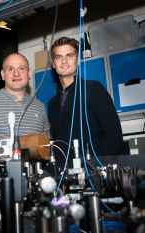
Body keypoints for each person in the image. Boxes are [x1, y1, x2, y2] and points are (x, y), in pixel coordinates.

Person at [48, 37, 124, 166]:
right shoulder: (52, 104)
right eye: (58, 57)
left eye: (69, 56)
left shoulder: (93, 90)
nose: (64, 61)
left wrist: (90, 166)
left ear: (77, 60)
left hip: (93, 173)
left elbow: (114, 138)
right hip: (65, 177)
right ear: (53, 64)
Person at [0, 52, 50, 140]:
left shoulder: (40, 106)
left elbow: (46, 145)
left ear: (29, 74)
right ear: (3, 75)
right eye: (10, 69)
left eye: (21, 68)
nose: (16, 74)